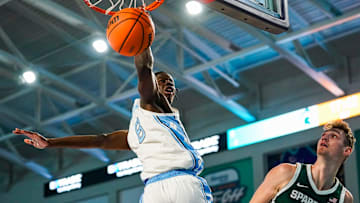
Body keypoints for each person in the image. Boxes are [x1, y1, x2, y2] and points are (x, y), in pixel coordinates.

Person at [13, 47, 213, 203]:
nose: (169, 84)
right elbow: (144, 68)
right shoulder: (152, 104)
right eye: (162, 81)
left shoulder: (137, 132)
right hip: (181, 183)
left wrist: (50, 143)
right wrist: (142, 38)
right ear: (153, 85)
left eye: (171, 83)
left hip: (154, 190)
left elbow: (101, 140)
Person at [250, 120, 355, 203]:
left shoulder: (344, 198)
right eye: (323, 135)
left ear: (347, 150)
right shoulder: (286, 173)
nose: (325, 138)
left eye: (333, 136)